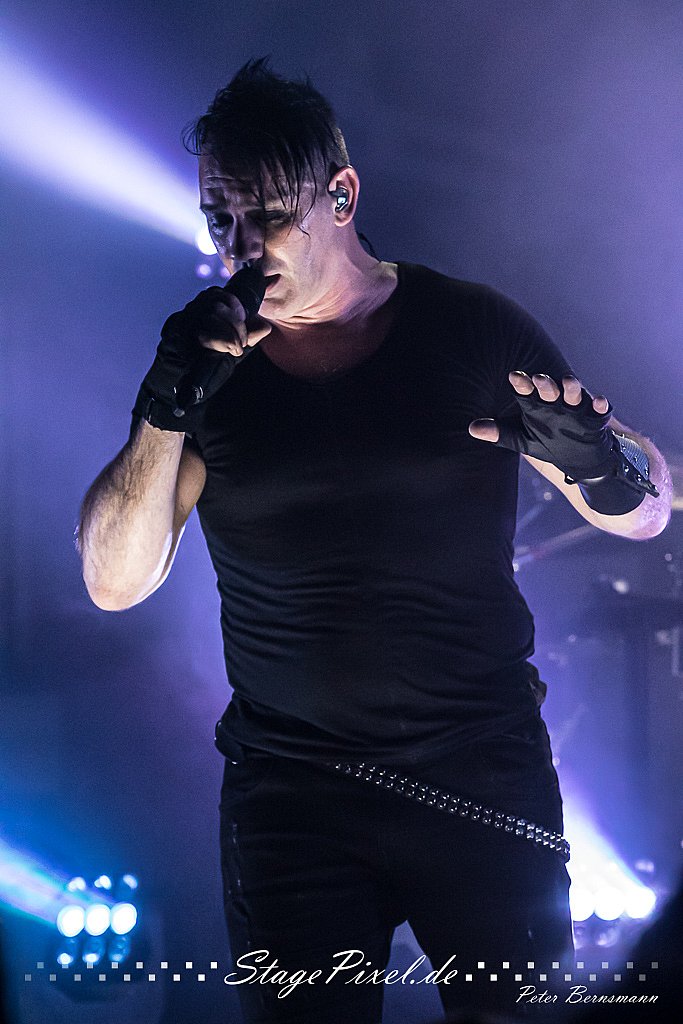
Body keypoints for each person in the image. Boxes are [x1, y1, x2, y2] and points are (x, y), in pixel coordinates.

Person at [78, 59, 672, 1024]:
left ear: (342, 196)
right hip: (292, 796)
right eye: (219, 218)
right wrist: (162, 408)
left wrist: (600, 458)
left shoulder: (467, 326)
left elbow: (644, 510)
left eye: (268, 215)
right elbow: (111, 580)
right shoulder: (208, 368)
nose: (240, 247)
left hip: (479, 775)